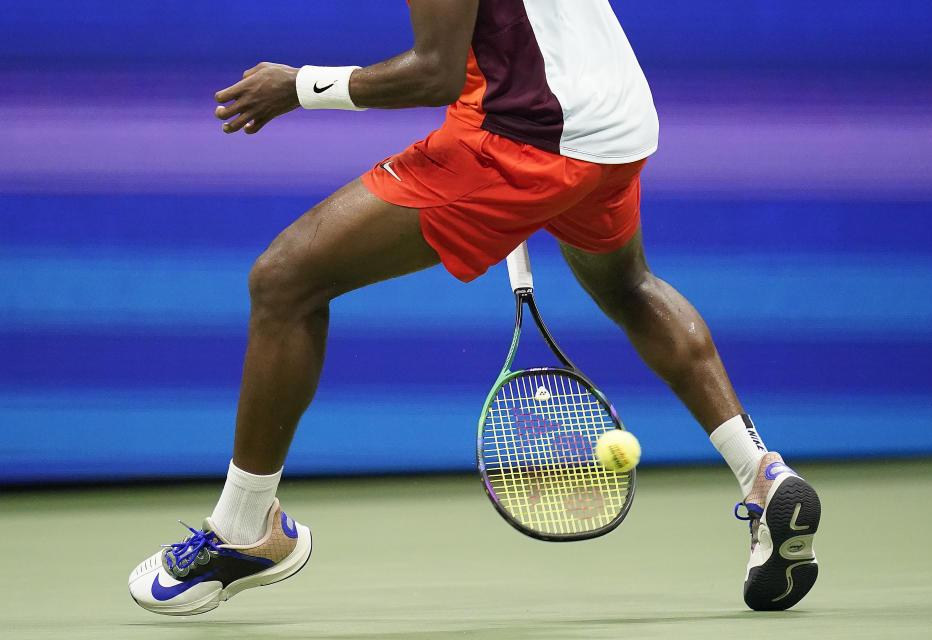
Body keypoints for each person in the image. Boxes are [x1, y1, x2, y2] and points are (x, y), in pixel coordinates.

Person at [128, 0, 820, 615]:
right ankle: (760, 471)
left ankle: (245, 533)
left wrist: (301, 86)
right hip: (615, 121)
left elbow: (431, 70)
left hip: (529, 136)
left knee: (284, 282)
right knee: (629, 285)